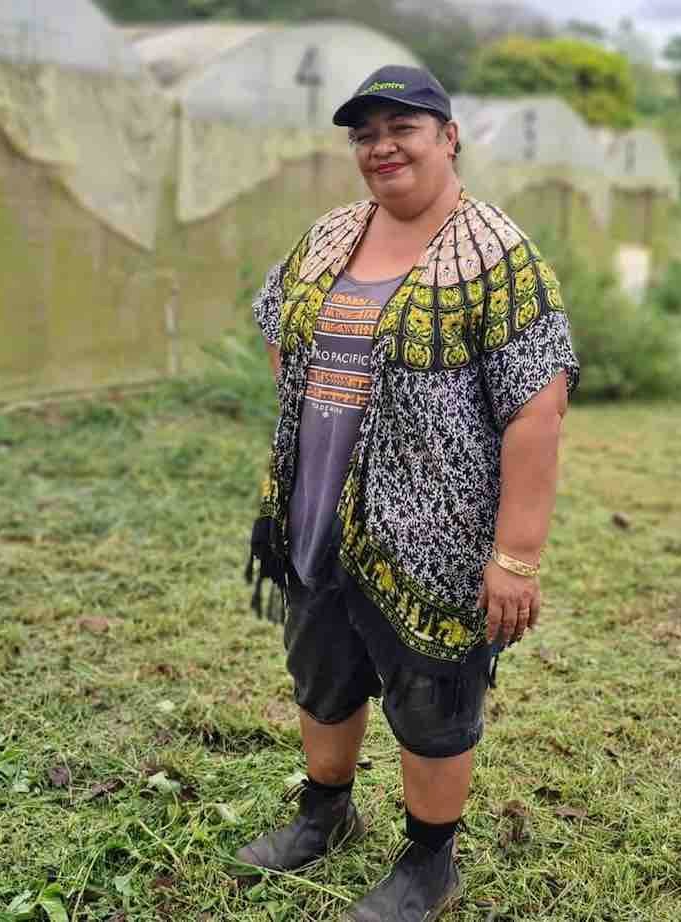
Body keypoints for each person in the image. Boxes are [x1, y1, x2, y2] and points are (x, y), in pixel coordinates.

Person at [240, 65, 579, 921]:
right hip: (316, 514)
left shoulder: (499, 257)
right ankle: (325, 815)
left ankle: (430, 863)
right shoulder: (332, 235)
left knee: (432, 698)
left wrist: (516, 556)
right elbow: (279, 321)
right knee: (323, 674)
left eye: (402, 129)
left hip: (436, 538)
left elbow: (537, 411)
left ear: (448, 137)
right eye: (365, 135)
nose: (381, 148)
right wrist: (315, 415)